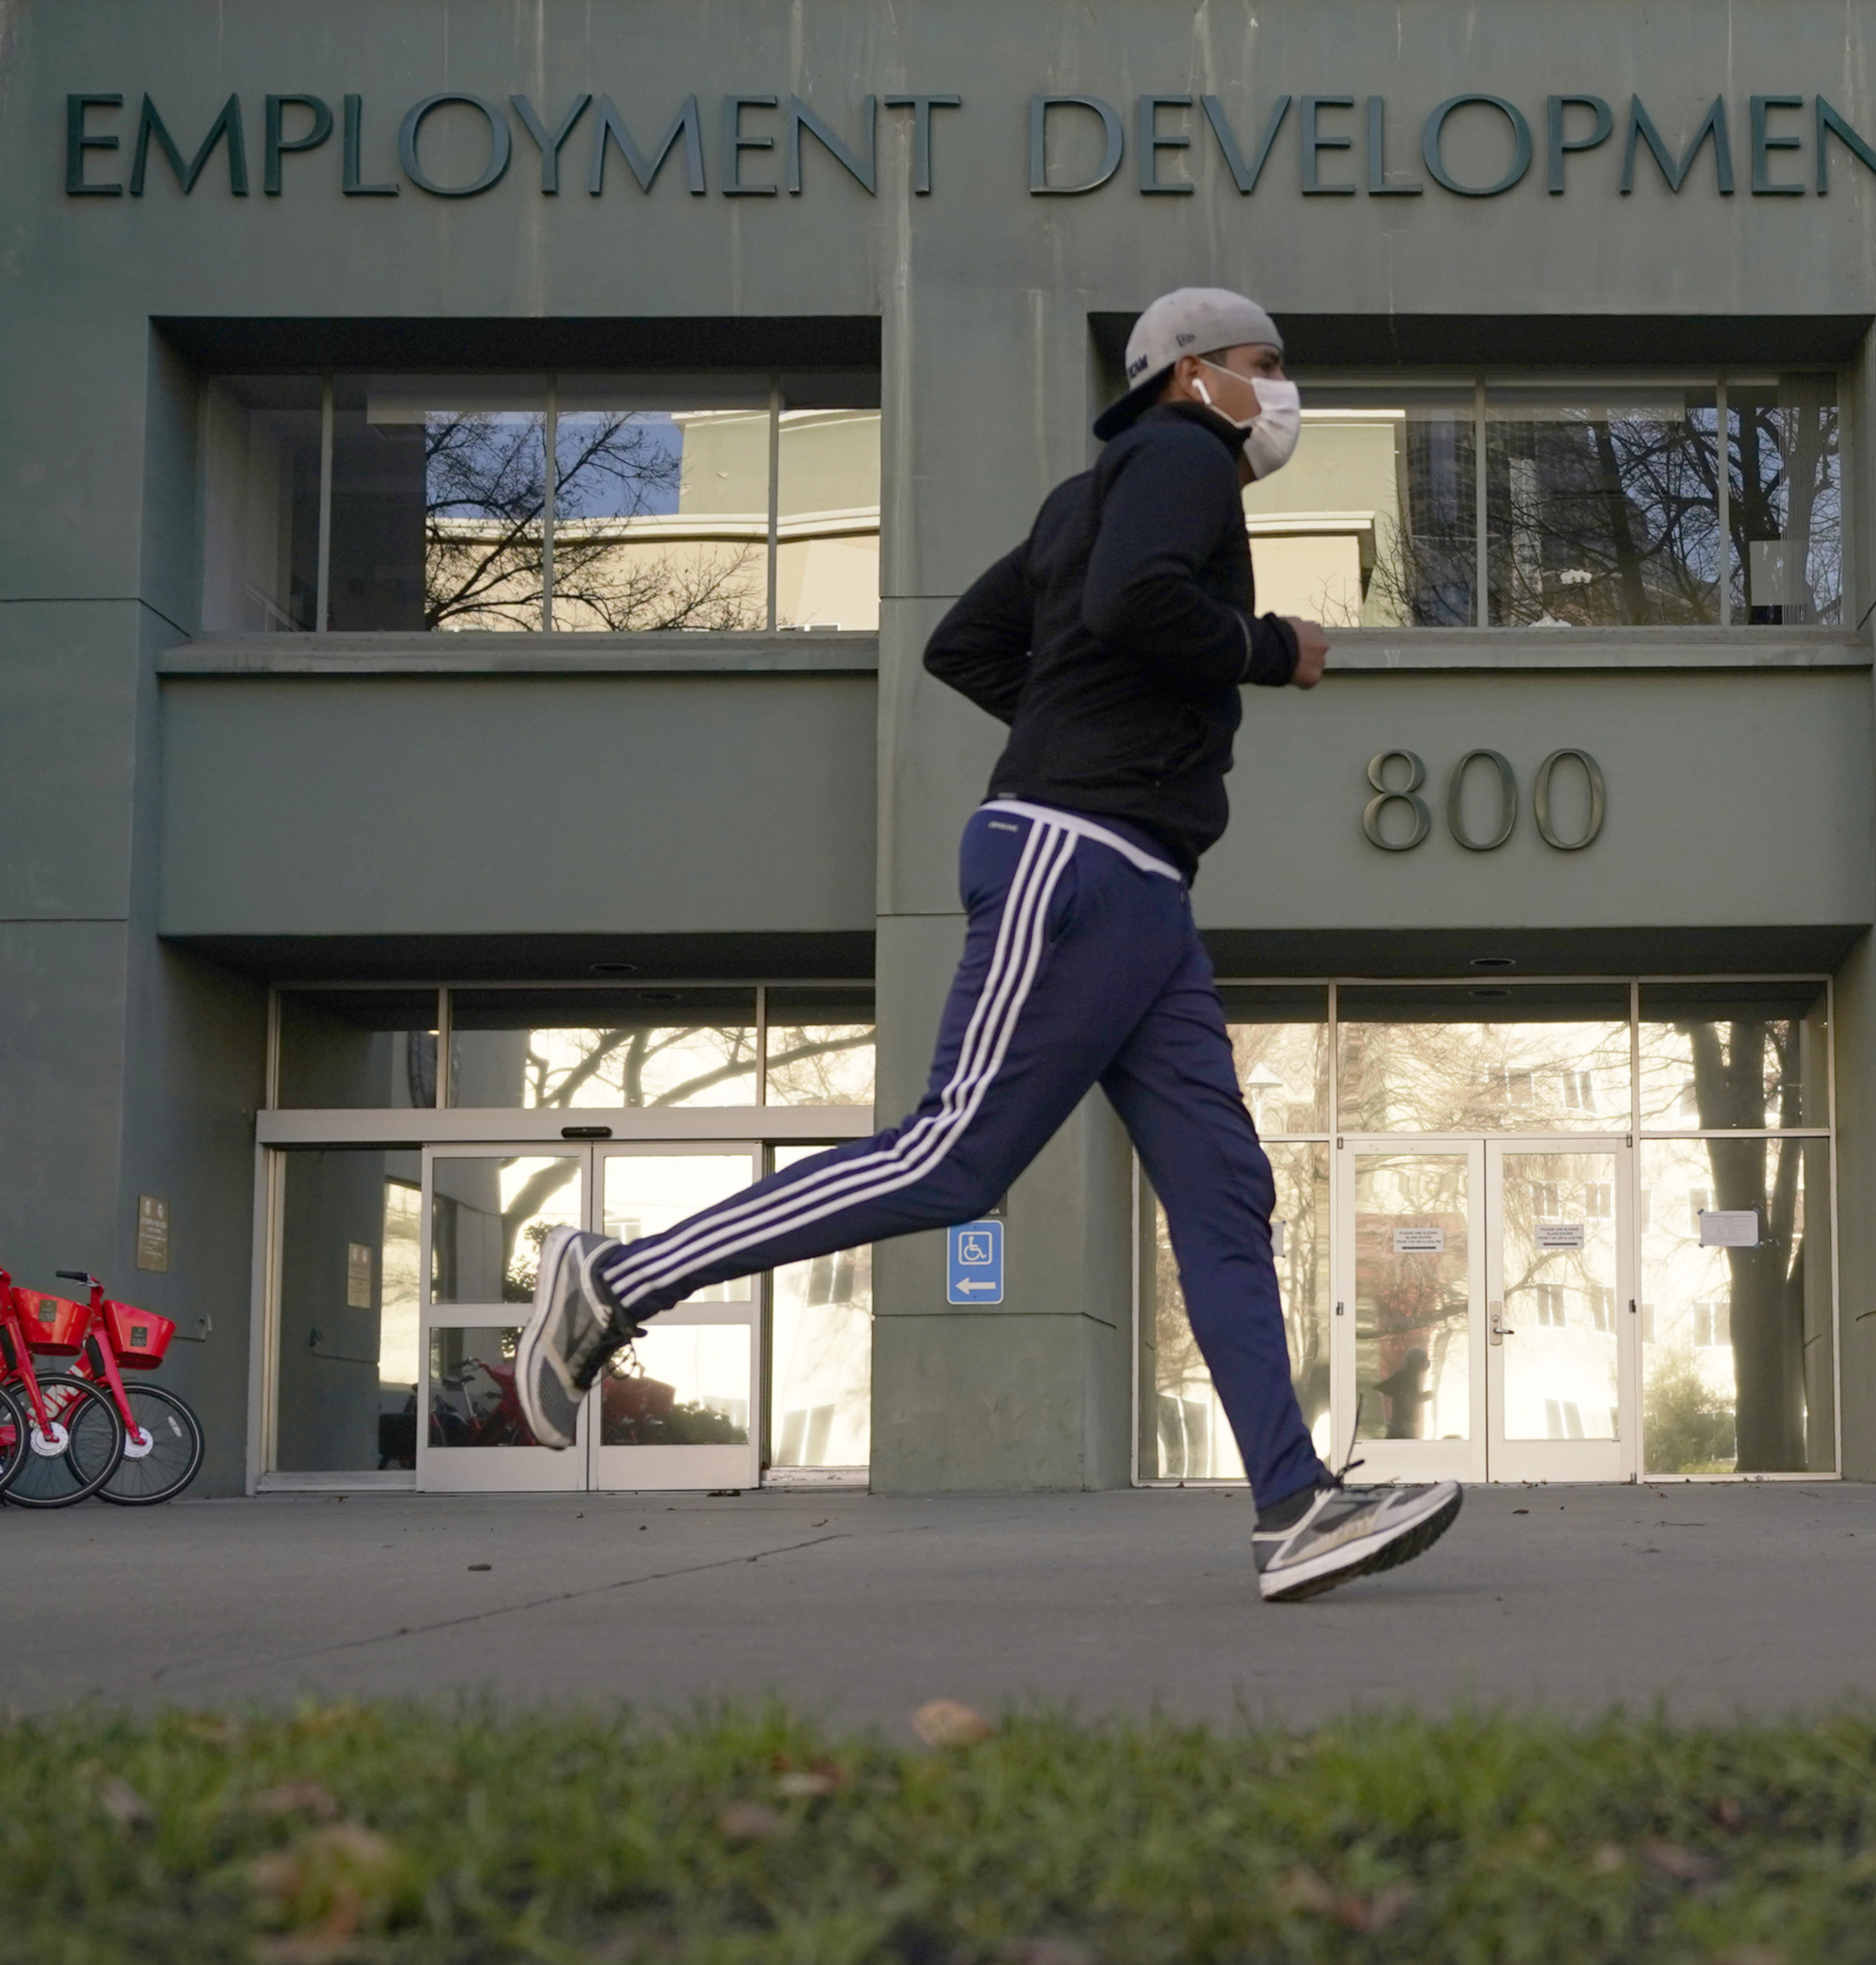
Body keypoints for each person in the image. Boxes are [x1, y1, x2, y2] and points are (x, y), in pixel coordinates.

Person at [511, 288, 1462, 1604]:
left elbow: (968, 644)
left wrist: (1082, 716)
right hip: (1076, 861)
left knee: (1225, 1195)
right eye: (1265, 364)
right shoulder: (1181, 458)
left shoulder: (1084, 496)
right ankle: (618, 1276)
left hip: (1141, 895)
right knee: (953, 1158)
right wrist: (1268, 646)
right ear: (1191, 374)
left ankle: (1294, 1504)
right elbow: (1138, 606)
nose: (1281, 387)